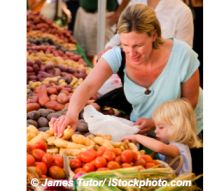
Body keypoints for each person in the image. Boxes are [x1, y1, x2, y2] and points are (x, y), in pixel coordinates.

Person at [49, 4, 203, 138]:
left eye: (138, 45)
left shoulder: (182, 54)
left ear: (154, 35)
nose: (131, 52)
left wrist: (158, 122)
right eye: (125, 45)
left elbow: (190, 102)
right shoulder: (118, 55)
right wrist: (71, 114)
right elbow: (87, 86)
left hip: (187, 132)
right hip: (144, 133)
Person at [122, 99, 202, 175]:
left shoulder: (179, 148)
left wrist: (137, 137)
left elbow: (159, 147)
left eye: (161, 127)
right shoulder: (170, 145)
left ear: (178, 127)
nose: (156, 131)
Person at [105, 0, 194, 49]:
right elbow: (122, 34)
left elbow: (184, 57)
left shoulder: (182, 12)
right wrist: (109, 48)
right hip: (129, 73)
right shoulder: (135, 3)